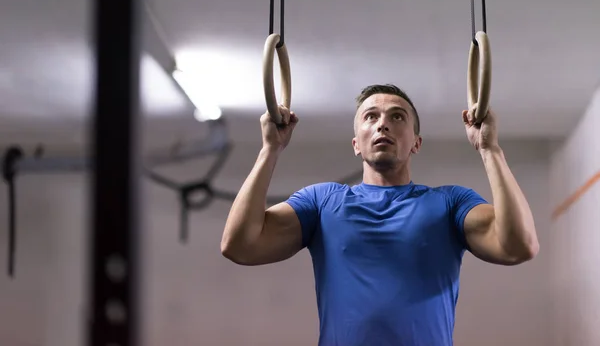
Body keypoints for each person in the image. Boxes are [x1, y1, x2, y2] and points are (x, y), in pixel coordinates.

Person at [220, 84, 539, 346]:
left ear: (416, 142)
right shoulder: (321, 201)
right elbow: (239, 246)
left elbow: (519, 245)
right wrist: (269, 149)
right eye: (370, 117)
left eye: (397, 117)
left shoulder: (450, 203)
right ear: (356, 144)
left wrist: (490, 150)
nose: (383, 123)